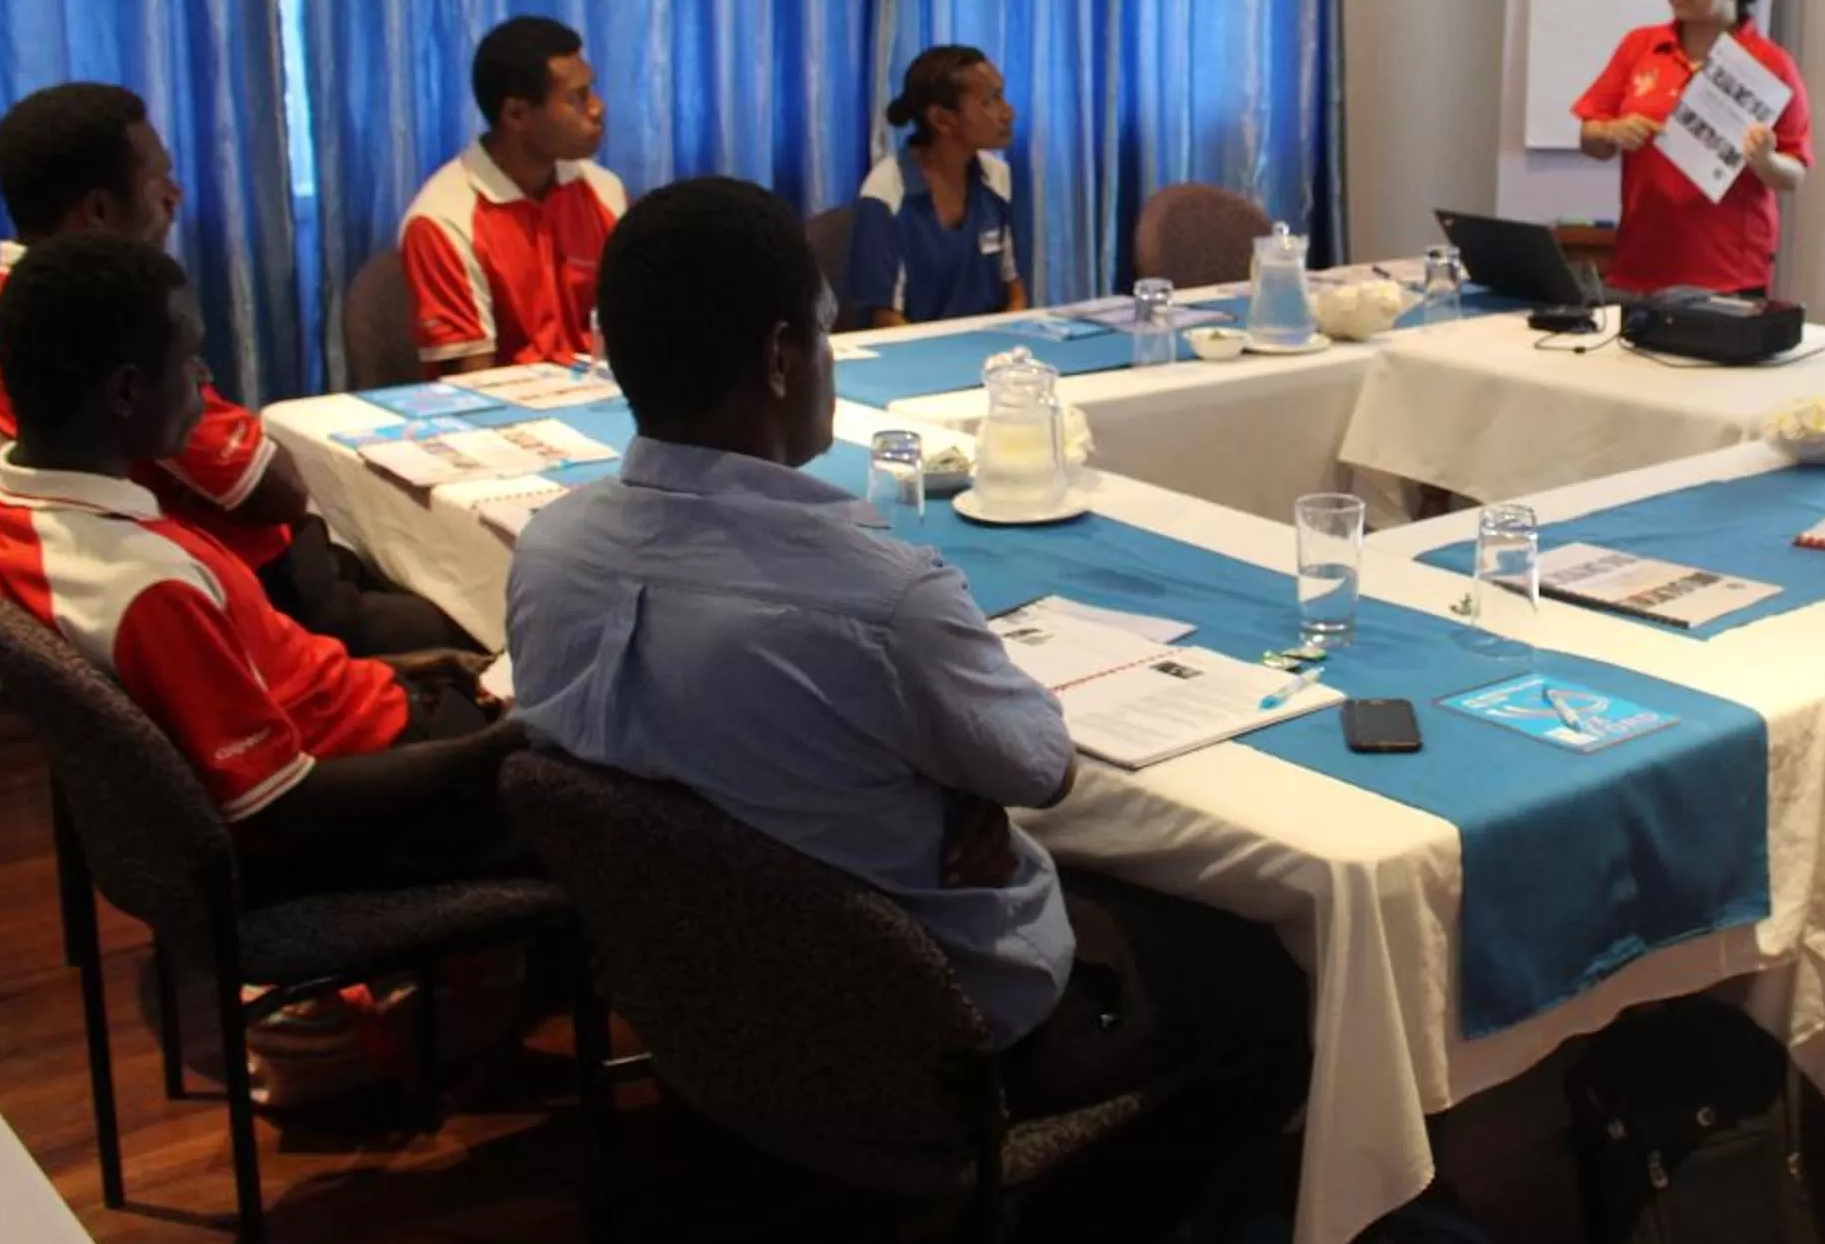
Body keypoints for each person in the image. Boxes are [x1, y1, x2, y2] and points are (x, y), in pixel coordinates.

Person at [508, 178, 1303, 1116]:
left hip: (708, 1005)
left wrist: (927, 782)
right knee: (1266, 971)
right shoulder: (879, 600)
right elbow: (1041, 767)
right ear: (780, 359)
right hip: (936, 1034)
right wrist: (954, 778)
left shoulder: (548, 553)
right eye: (825, 331)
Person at [0, 233, 525, 898]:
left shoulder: (8, 514)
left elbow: (265, 672)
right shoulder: (148, 589)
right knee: (597, 791)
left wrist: (409, 668)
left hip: (360, 719)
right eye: (190, 360)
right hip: (371, 797)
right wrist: (487, 751)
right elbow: (281, 805)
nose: (203, 379)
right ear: (128, 391)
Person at [0, 83, 470, 657]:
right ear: (99, 211)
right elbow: (274, 493)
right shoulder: (100, 327)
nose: (176, 197)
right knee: (480, 615)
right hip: (250, 586)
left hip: (216, 556)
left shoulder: (0, 311)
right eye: (159, 183)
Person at [1572, 0, 1813, 296]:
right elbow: (1589, 137)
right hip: (1638, 267)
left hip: (1727, 276)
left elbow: (1794, 173)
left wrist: (1766, 161)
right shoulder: (1640, 46)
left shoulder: (1769, 65)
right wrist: (1611, 131)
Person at [401, 15, 626, 375]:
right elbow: (472, 387)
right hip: (510, 406)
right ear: (517, 114)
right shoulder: (443, 222)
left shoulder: (603, 191)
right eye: (577, 98)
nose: (597, 109)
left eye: (592, 91)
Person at [840, 45, 1027, 329]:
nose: (1008, 113)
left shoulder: (996, 177)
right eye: (990, 100)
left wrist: (1009, 337)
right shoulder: (886, 190)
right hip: (911, 348)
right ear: (942, 120)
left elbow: (1013, 289)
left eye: (1002, 96)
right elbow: (884, 318)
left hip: (989, 347)